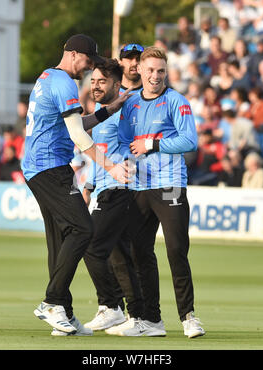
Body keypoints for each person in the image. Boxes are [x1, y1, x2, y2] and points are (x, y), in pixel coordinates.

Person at [21, 34, 132, 336]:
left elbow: (76, 123)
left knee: (60, 238)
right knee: (83, 229)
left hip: (38, 166)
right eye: (87, 61)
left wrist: (109, 109)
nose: (88, 69)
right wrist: (110, 166)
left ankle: (65, 316)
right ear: (72, 54)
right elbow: (78, 137)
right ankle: (52, 303)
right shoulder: (64, 83)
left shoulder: (47, 77)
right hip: (49, 166)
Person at [116, 46, 205, 338]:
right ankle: (151, 320)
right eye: (151, 70)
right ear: (139, 70)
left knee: (177, 249)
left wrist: (153, 145)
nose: (155, 76)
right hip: (139, 186)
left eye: (161, 71)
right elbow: (124, 141)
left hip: (169, 185)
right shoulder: (129, 103)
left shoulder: (176, 101)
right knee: (139, 251)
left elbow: (189, 140)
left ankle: (188, 316)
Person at [82, 58, 144, 334]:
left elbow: (135, 143)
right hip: (105, 187)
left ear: (116, 85)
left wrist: (131, 169)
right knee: (119, 255)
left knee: (91, 246)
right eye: (93, 81)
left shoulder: (124, 110)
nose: (95, 86)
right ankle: (139, 315)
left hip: (122, 189)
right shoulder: (99, 111)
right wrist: (88, 186)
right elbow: (99, 154)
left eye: (101, 82)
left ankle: (111, 306)